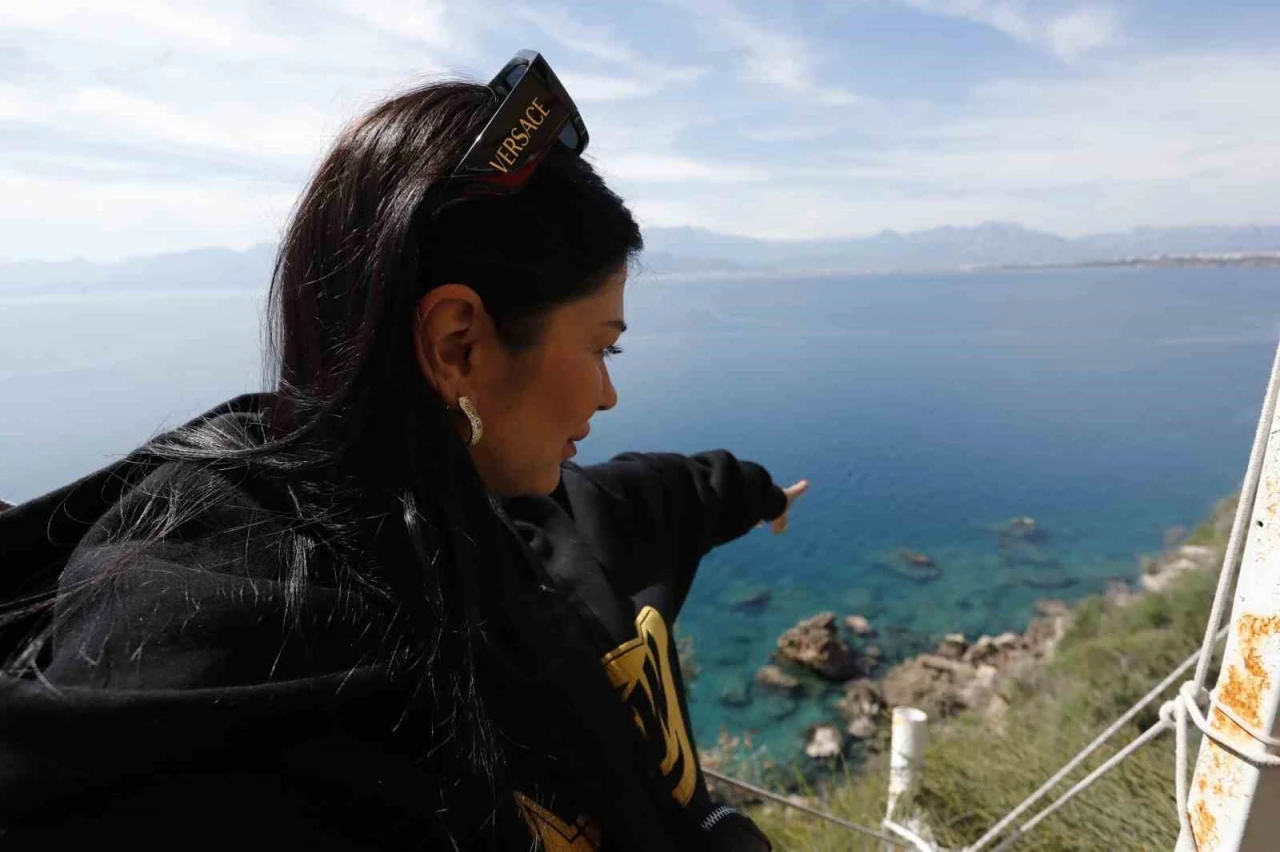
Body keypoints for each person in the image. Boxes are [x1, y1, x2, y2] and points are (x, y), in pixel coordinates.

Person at [0, 51, 807, 851]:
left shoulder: (529, 519)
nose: (608, 395)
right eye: (604, 348)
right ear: (458, 344)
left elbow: (683, 488)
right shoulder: (243, 671)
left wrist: (764, 496)